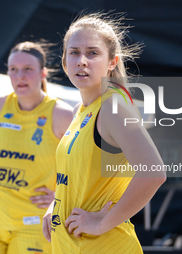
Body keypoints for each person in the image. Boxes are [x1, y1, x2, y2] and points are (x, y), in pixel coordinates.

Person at [42, 13, 166, 253]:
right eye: (74, 52)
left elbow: (154, 173)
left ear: (112, 62)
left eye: (93, 53)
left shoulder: (113, 106)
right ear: (64, 61)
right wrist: (55, 207)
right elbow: (76, 178)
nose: (82, 61)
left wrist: (101, 223)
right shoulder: (81, 109)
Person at [0, 41, 73, 254]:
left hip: (34, 225)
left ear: (43, 73)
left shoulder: (61, 114)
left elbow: (84, 164)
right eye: (13, 70)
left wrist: (62, 198)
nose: (19, 76)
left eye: (27, 69)